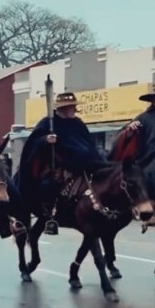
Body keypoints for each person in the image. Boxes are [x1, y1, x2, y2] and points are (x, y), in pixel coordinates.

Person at [14, 92, 109, 235]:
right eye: (70, 107)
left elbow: (89, 144)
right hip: (59, 165)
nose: (73, 110)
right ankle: (49, 215)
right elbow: (32, 144)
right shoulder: (47, 123)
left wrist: (97, 159)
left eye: (73, 106)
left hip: (86, 163)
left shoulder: (78, 123)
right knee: (49, 186)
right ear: (62, 109)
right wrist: (45, 140)